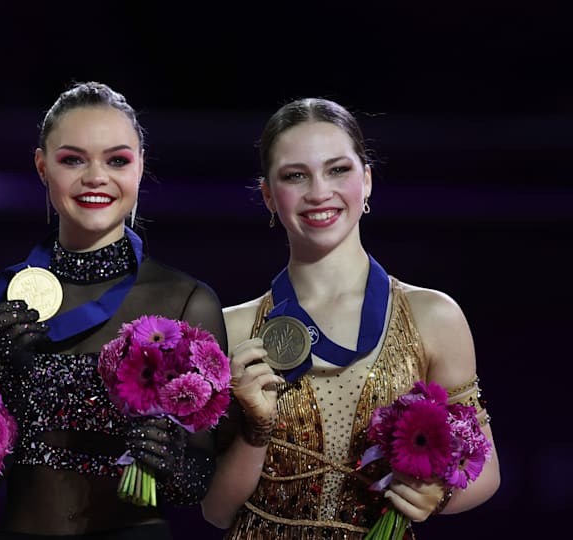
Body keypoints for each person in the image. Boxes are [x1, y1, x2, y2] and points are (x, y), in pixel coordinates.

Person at [201, 98, 500, 538]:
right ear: (268, 195)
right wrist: (255, 431)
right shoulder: (232, 329)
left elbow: (486, 470)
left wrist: (437, 493)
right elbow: (217, 511)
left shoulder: (434, 316)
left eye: (338, 169)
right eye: (295, 175)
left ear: (367, 180)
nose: (319, 191)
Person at [0, 81, 228, 539]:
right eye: (73, 159)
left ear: (140, 168)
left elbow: (201, 487)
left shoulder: (186, 301)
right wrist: (11, 388)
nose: (96, 177)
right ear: (42, 167)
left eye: (117, 160)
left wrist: (171, 460)